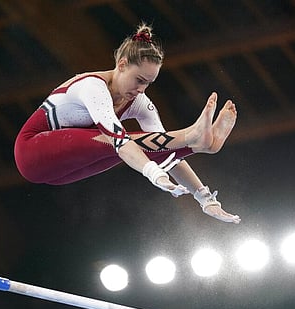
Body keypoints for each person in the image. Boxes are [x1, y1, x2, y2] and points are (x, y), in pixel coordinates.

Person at [14, 23, 241, 223]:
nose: (141, 89)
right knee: (116, 143)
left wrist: (204, 198)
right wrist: (153, 173)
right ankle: (192, 137)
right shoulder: (93, 87)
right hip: (31, 153)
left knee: (148, 147)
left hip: (62, 172)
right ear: (122, 65)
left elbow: (163, 148)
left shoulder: (139, 102)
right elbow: (119, 141)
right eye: (139, 80)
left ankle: (197, 142)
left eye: (148, 84)